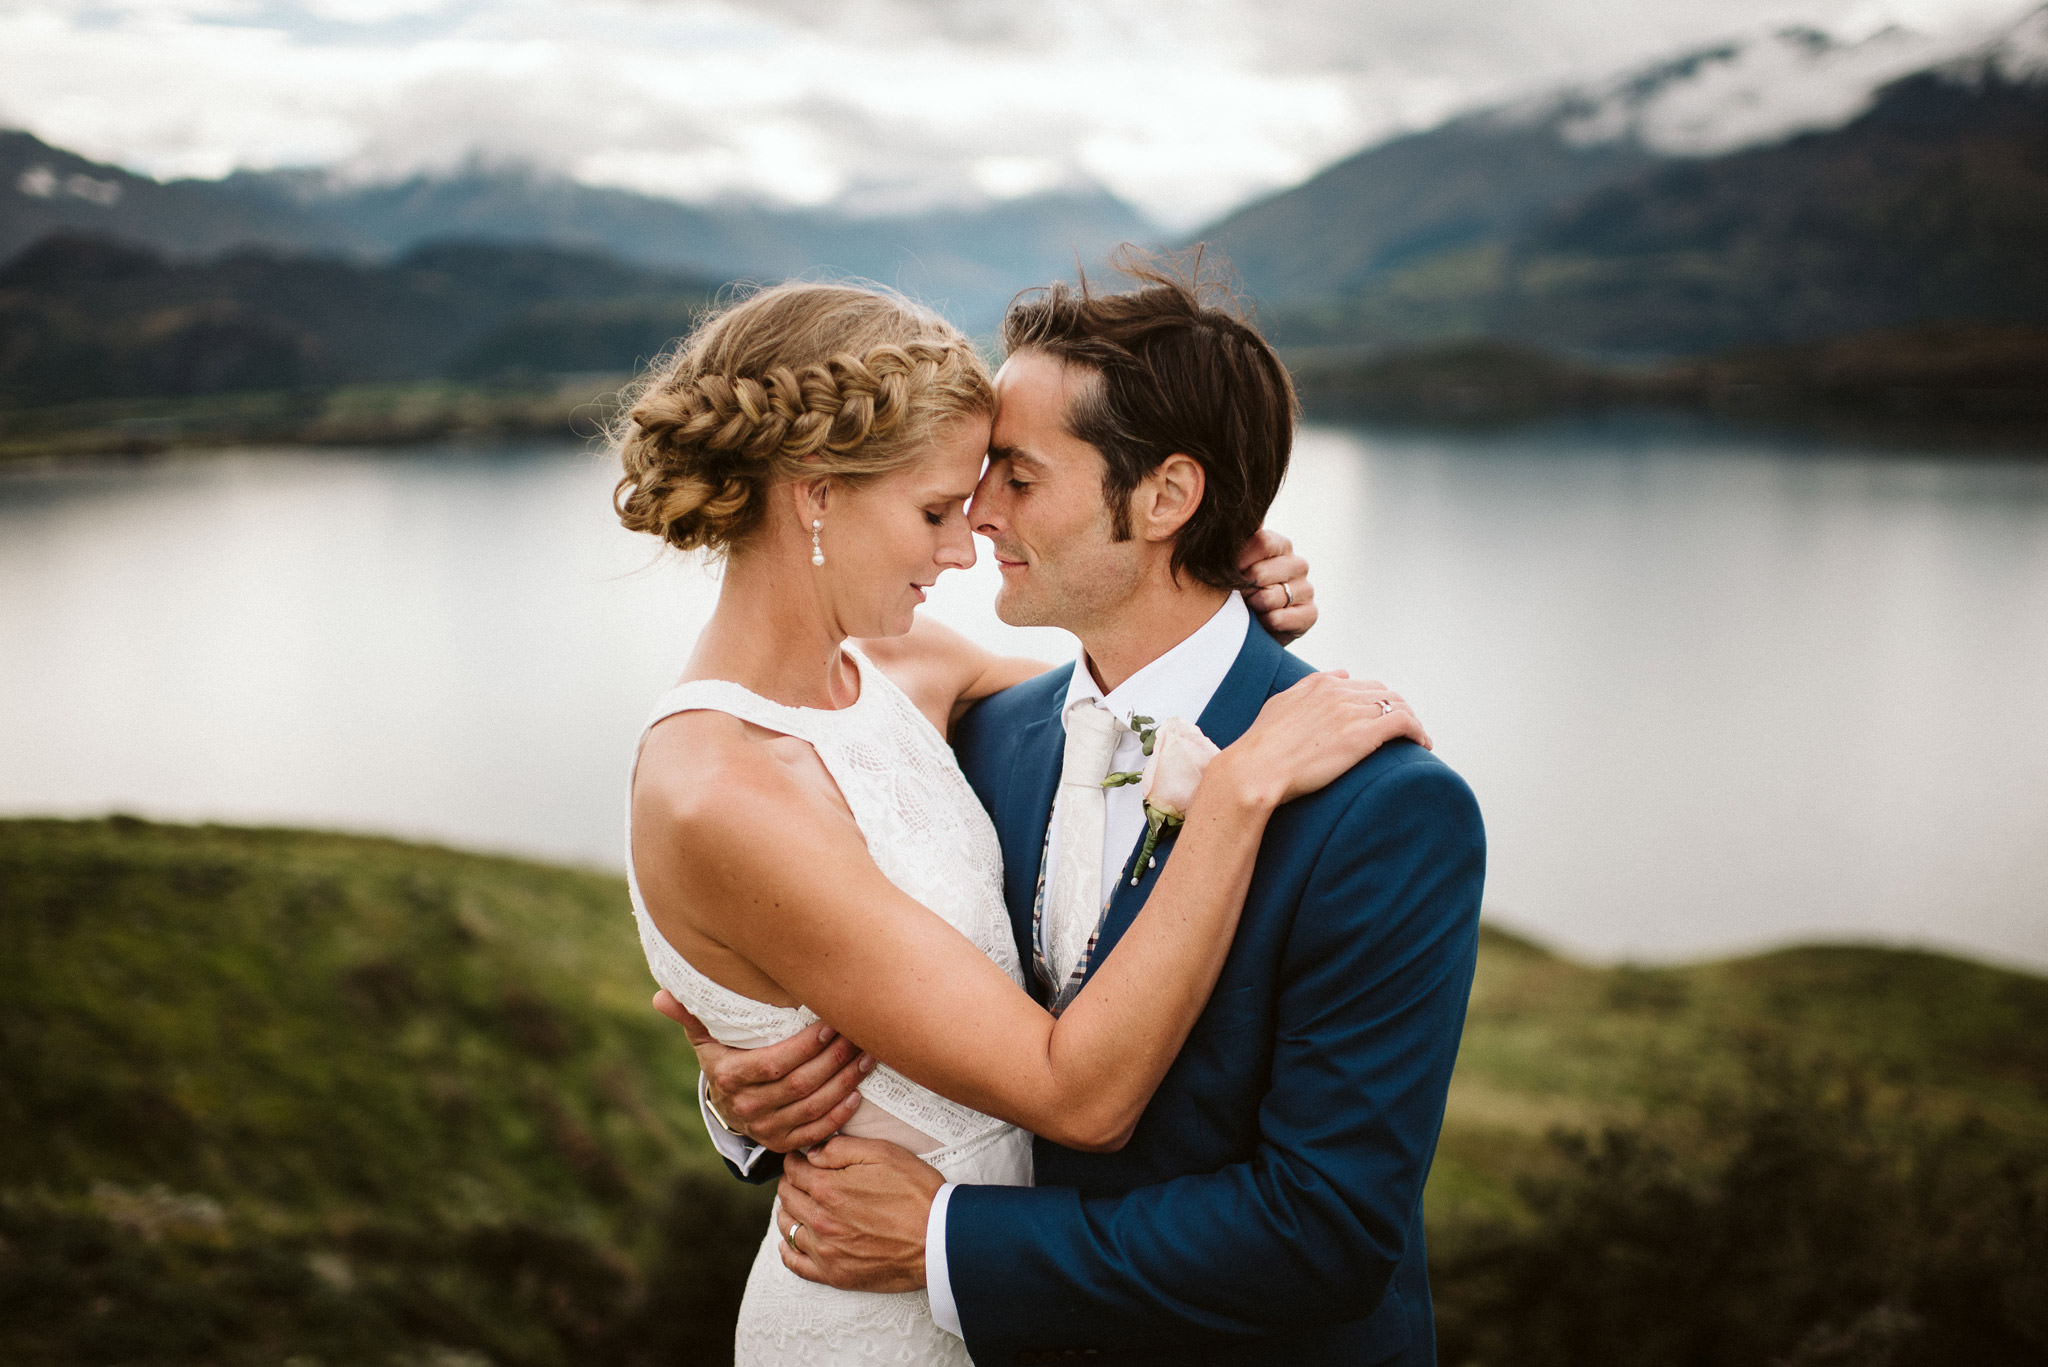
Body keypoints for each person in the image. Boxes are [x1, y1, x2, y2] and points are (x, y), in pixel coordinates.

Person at [672, 256, 1487, 1365]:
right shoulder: (982, 737)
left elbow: (1326, 1232)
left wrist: (946, 1241)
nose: (976, 516)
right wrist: (753, 1085)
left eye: (1016, 477)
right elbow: (910, 995)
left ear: (1164, 498)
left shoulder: (1382, 809)